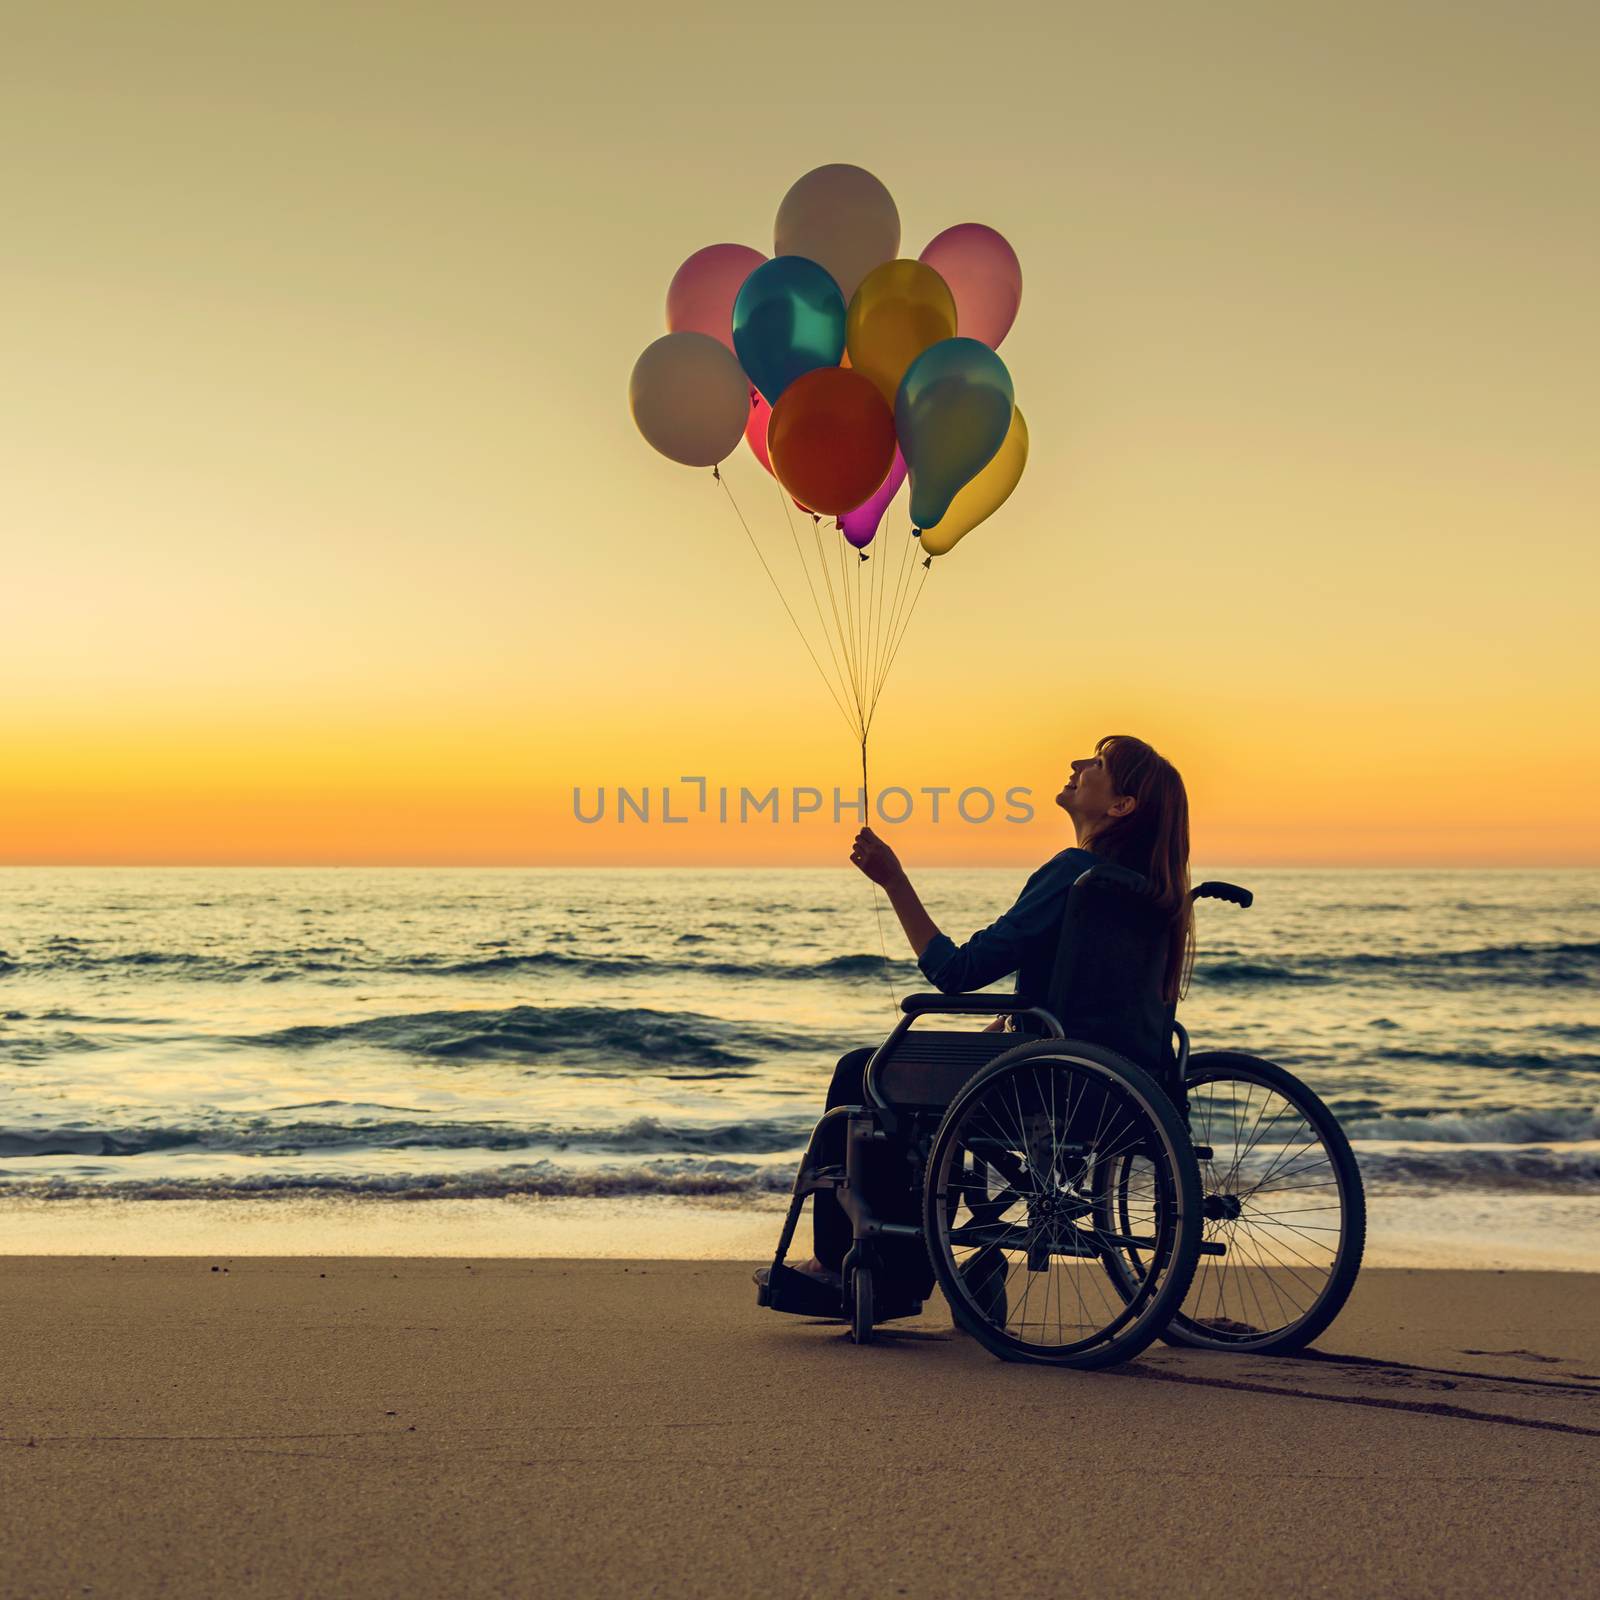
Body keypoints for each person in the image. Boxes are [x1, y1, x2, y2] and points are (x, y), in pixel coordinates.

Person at [796, 733, 1195, 1285]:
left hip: (1042, 1084)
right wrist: (1009, 1023)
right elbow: (1089, 1004)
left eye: (1097, 763)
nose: (1077, 763)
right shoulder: (1154, 893)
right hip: (1119, 1090)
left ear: (1121, 805)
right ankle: (923, 1266)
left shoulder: (1074, 875)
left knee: (864, 1072)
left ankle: (849, 1266)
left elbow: (955, 973)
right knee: (932, 1074)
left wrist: (894, 881)